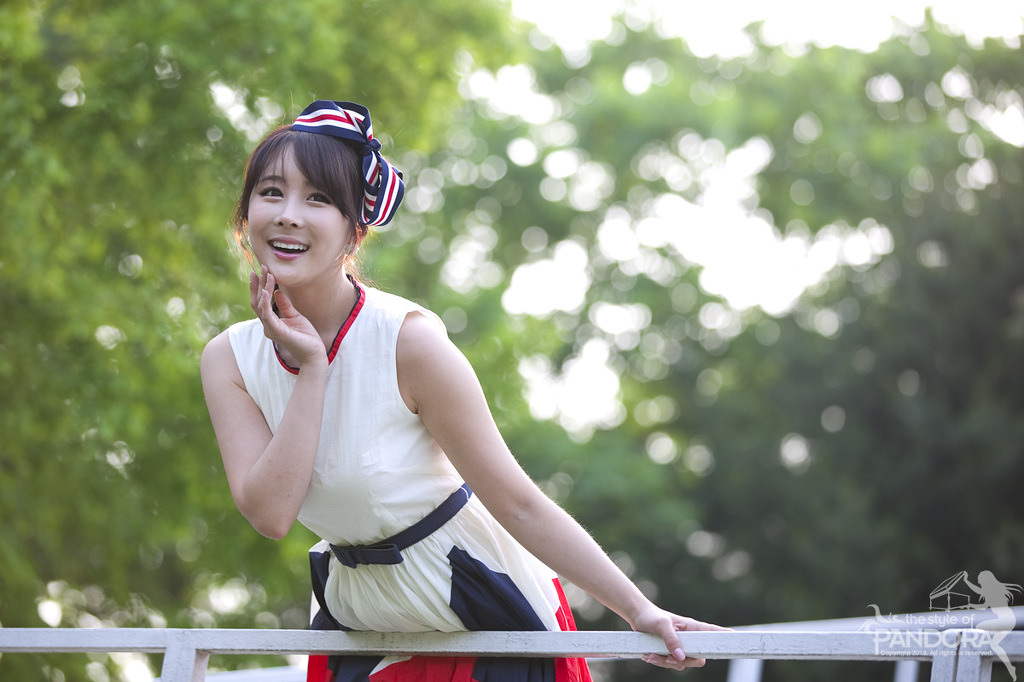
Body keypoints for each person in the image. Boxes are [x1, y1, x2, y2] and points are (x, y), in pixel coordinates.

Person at [201, 99, 725, 682]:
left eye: (318, 198)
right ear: (245, 213)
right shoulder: (229, 358)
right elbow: (271, 514)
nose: (288, 215)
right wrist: (312, 370)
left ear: (355, 230)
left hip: (477, 607)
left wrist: (639, 610)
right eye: (271, 193)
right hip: (365, 623)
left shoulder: (408, 342)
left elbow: (517, 502)